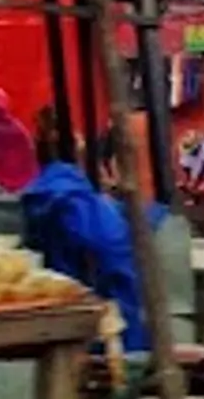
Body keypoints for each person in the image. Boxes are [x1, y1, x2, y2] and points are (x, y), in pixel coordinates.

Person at [19, 118, 157, 358]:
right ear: (77, 151)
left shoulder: (41, 194)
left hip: (58, 316)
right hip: (104, 323)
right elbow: (109, 248)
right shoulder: (77, 199)